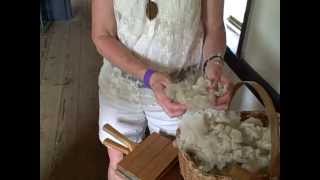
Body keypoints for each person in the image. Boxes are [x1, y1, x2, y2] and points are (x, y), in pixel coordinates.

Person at [92, 0, 233, 179]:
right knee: (120, 164)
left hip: (180, 89)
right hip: (121, 84)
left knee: (174, 166)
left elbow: (214, 27)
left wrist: (213, 62)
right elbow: (102, 35)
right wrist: (148, 75)